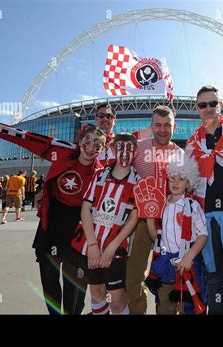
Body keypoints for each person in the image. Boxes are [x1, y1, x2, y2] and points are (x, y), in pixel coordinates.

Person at [0, 104, 106, 315]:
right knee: (49, 282)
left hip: (79, 233)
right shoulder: (61, 150)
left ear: (102, 149)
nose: (90, 147)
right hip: (51, 227)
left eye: (97, 144)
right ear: (79, 142)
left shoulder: (102, 175)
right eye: (87, 141)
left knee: (75, 288)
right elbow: (21, 136)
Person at [185, 85, 223, 314]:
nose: (208, 108)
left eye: (213, 103)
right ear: (197, 109)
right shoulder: (191, 145)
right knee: (214, 280)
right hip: (206, 219)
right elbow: (186, 184)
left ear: (220, 105)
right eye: (203, 105)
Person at [125, 105, 185, 314]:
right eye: (158, 125)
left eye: (167, 125)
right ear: (151, 126)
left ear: (174, 127)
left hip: (169, 224)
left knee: (168, 278)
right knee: (134, 277)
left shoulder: (179, 154)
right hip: (140, 221)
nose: (162, 129)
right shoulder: (138, 147)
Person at [74, 133, 139, 315]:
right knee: (97, 293)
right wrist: (93, 245)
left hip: (115, 249)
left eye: (130, 149)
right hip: (91, 246)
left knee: (117, 300)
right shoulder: (99, 176)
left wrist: (111, 248)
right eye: (120, 148)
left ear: (136, 152)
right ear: (112, 149)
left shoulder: (139, 183)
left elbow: (133, 218)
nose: (125, 153)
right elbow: (85, 209)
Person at [145, 154, 208, 314]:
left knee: (188, 307)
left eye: (180, 179)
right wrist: (150, 219)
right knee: (165, 304)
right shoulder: (162, 204)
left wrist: (189, 256)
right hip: (165, 264)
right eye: (172, 178)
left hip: (187, 264)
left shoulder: (192, 205)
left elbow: (203, 235)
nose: (175, 182)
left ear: (188, 182)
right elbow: (156, 238)